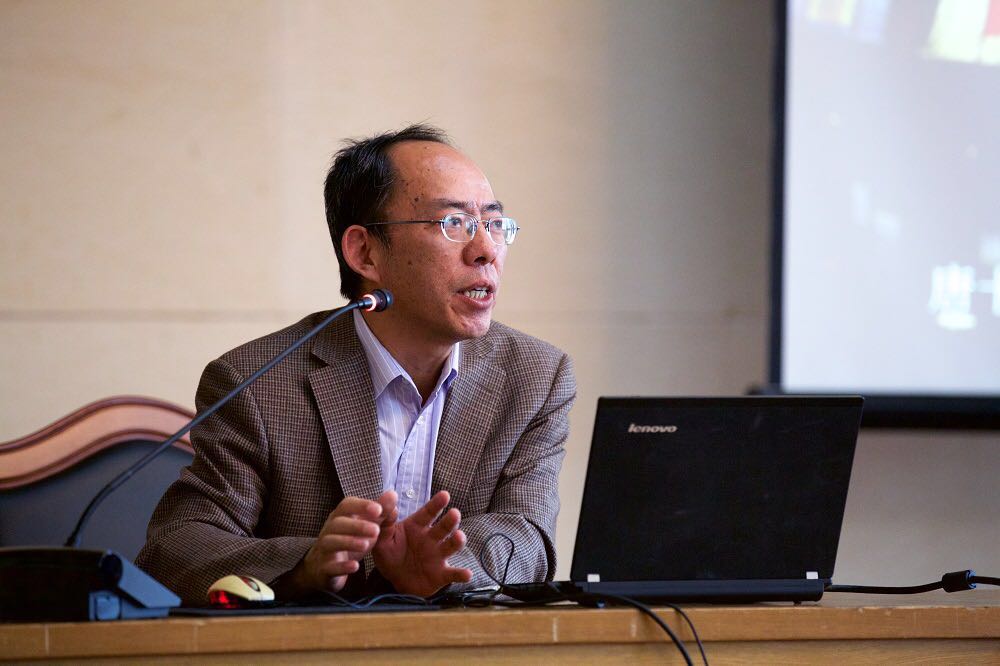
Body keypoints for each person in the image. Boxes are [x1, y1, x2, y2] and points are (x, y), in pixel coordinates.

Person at [136, 124, 576, 604]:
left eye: (494, 224)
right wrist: (308, 566)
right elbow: (176, 548)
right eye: (453, 224)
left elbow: (528, 533)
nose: (486, 250)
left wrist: (442, 566)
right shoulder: (259, 382)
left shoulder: (536, 376)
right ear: (364, 252)